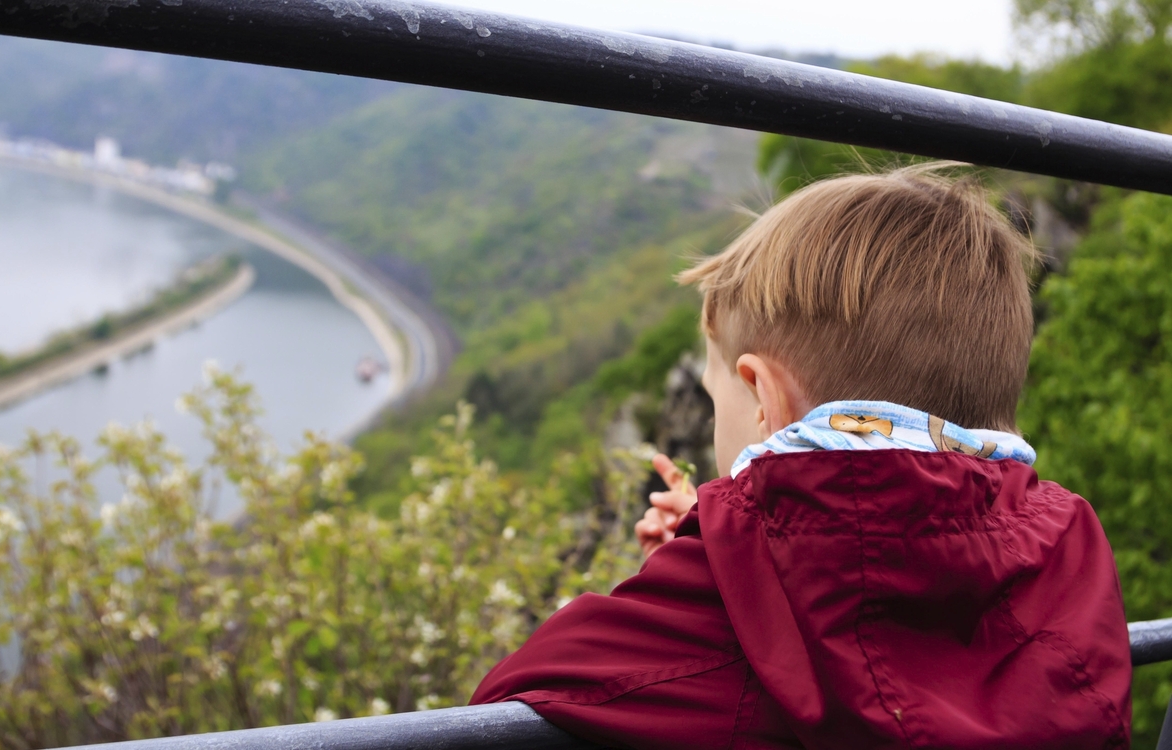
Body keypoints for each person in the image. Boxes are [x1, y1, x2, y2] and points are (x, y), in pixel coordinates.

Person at [470, 166, 1132, 749]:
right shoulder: (1073, 556)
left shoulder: (703, 619)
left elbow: (504, 701)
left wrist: (702, 568)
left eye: (717, 398)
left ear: (764, 400)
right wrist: (735, 546)